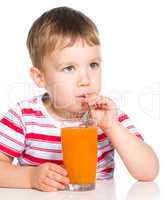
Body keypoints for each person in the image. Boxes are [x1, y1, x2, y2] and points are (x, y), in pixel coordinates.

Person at [0, 7, 159, 192]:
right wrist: (30, 177)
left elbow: (148, 172)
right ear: (39, 77)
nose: (85, 80)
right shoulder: (23, 117)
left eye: (93, 65)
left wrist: (112, 126)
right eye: (69, 68)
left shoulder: (109, 116)